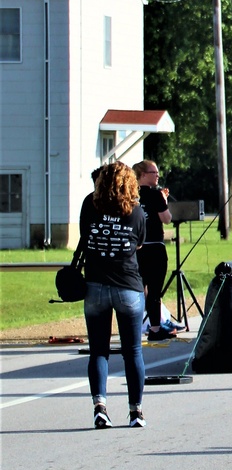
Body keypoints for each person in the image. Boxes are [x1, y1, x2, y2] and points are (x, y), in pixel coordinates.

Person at [80, 161, 148, 429]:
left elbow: (85, 236)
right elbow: (139, 243)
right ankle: (136, 412)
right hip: (128, 284)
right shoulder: (136, 210)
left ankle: (100, 407)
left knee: (99, 350)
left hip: (95, 284)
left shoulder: (89, 204)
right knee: (132, 352)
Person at [132, 160, 174, 341]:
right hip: (155, 247)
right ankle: (155, 328)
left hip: (135, 248)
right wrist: (163, 200)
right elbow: (167, 219)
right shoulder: (156, 195)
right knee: (154, 290)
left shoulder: (130, 195)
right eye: (153, 172)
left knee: (138, 289)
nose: (157, 176)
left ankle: (134, 327)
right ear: (142, 175)